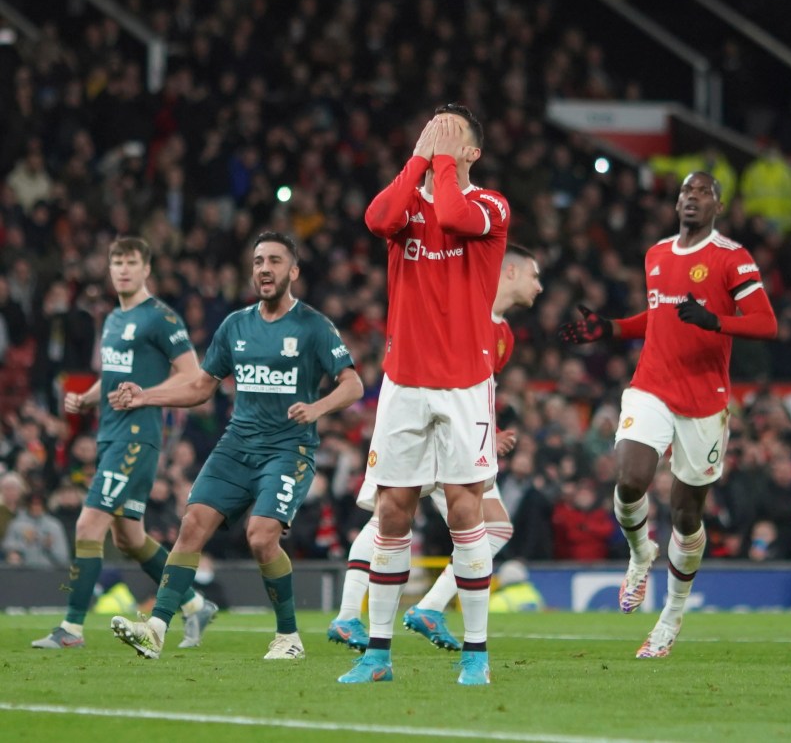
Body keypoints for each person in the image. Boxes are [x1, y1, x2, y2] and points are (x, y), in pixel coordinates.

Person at [109, 231, 363, 660]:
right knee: (191, 524)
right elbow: (201, 387)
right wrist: (145, 396)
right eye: (259, 261)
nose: (265, 268)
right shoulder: (235, 325)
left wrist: (318, 408)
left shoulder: (314, 326)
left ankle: (289, 638)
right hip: (236, 444)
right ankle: (155, 629)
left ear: (293, 271)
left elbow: (353, 383)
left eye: (275, 261)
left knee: (261, 537)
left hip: (288, 449)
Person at [558, 171, 777, 658]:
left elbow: (766, 322)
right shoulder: (656, 254)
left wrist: (716, 321)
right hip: (650, 385)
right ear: (676, 202)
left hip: (704, 399)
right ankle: (640, 555)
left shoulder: (731, 258)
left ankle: (670, 618)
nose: (691, 199)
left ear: (717, 207)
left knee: (685, 513)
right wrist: (611, 329)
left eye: (702, 193)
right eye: (685, 192)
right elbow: (657, 318)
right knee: (631, 478)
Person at [337, 104, 510, 686]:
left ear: (471, 152)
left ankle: (476, 655)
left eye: (450, 131)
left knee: (465, 507)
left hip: (464, 383)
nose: (436, 134)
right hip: (404, 381)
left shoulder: (490, 205)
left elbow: (457, 216)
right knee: (391, 510)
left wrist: (435, 161)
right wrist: (418, 158)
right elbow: (377, 216)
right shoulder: (408, 201)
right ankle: (378, 654)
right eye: (430, 125)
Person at [328, 244, 541, 653]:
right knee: (394, 513)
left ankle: (360, 613)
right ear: (509, 272)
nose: (540, 285)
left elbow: (478, 389)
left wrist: (487, 433)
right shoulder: (464, 308)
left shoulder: (504, 335)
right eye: (534, 275)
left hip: (460, 433)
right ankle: (404, 610)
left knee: (393, 517)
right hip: (422, 420)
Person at [32, 236, 217, 650]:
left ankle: (72, 629)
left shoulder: (161, 318)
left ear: (146, 268)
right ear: (110, 268)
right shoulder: (114, 317)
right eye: (117, 262)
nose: (123, 269)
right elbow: (115, 375)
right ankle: (194, 605)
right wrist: (88, 397)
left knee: (87, 524)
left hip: (137, 437)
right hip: (110, 434)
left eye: (132, 262)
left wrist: (145, 396)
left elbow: (192, 373)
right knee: (129, 537)